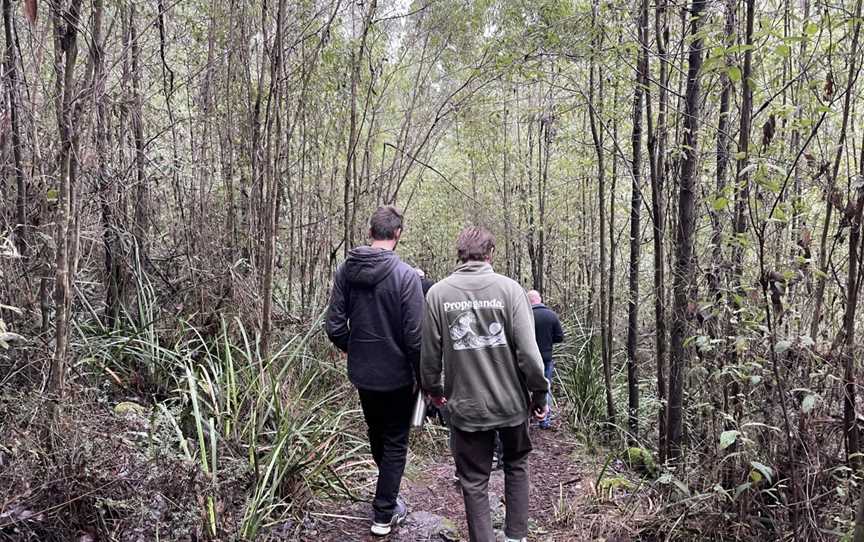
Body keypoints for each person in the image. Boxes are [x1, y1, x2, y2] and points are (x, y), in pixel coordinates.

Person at [420, 227, 549, 542]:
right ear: (490, 253)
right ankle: (516, 537)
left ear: (459, 254)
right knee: (516, 465)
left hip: (465, 407)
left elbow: (429, 355)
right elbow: (530, 355)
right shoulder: (510, 290)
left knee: (474, 480)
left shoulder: (438, 294)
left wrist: (434, 391)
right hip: (511, 404)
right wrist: (539, 393)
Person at [325, 205, 424, 537]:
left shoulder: (346, 271)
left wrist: (356, 349)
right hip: (398, 376)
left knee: (376, 432)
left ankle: (387, 493)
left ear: (371, 232)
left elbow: (334, 326)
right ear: (398, 234)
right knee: (394, 441)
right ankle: (384, 513)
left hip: (364, 373)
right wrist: (423, 375)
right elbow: (415, 336)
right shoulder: (407, 276)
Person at [526, 290, 564, 429]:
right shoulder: (551, 315)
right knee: (545, 387)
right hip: (546, 358)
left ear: (528, 301)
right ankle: (544, 421)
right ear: (540, 299)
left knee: (524, 388)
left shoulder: (525, 316)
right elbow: (559, 337)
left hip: (527, 359)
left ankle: (526, 420)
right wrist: (547, 341)